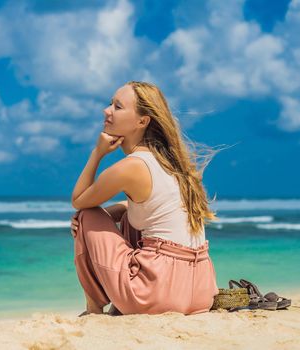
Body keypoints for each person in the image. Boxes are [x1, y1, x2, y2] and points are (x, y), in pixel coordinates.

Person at [70, 81, 220, 317]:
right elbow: (152, 207)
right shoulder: (172, 163)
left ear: (142, 121)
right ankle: (113, 302)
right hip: (201, 291)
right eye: (110, 104)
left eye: (117, 107)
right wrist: (113, 213)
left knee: (87, 214)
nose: (106, 111)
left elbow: (79, 200)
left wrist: (97, 153)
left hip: (155, 294)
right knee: (130, 214)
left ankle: (93, 308)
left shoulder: (132, 166)